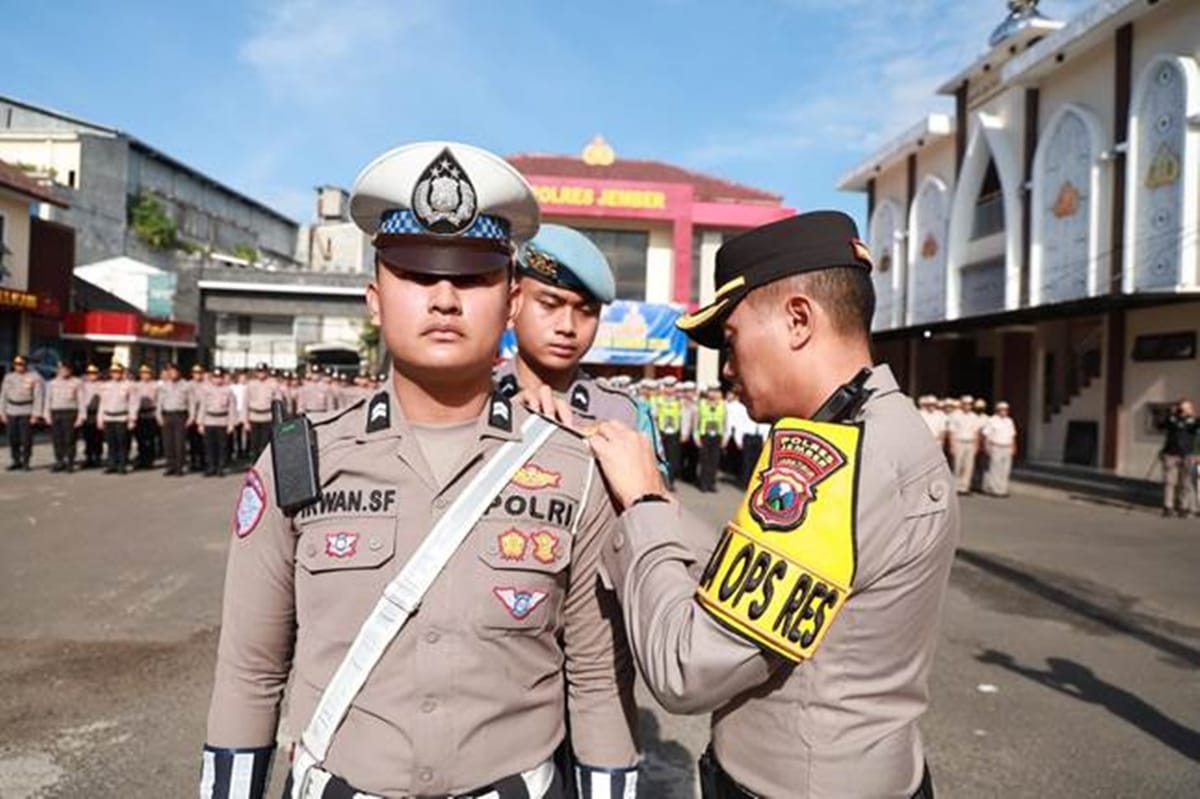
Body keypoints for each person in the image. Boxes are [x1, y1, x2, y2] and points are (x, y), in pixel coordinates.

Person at [200, 141, 639, 799]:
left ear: (510, 301)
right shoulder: (299, 460)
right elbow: (250, 671)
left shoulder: (574, 467)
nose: (444, 299)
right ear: (375, 300)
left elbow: (599, 682)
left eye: (472, 278)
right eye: (415, 274)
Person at [585, 211, 957, 799]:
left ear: (798, 319)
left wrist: (642, 506)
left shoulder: (835, 459)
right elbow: (776, 566)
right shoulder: (889, 426)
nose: (729, 368)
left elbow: (686, 667)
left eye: (732, 339)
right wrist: (666, 506)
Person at [494, 222, 666, 480]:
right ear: (512, 302)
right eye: (549, 304)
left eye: (586, 311)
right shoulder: (470, 398)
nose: (567, 327)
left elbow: (652, 499)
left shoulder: (624, 415)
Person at [1160, 399, 1198, 518]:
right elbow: (1161, 425)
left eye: (1188, 407)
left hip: (1187, 455)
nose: (1184, 409)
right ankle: (1168, 507)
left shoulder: (1194, 421)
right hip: (1171, 454)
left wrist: (1192, 416)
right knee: (1169, 482)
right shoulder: (1172, 419)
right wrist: (1170, 414)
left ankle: (1183, 507)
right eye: (1182, 407)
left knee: (1185, 483)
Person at [197, 367, 236, 477]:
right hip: (209, 420)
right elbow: (202, 406)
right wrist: (200, 423)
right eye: (215, 377)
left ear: (223, 378)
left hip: (222, 421)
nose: (217, 380)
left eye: (219, 377)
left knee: (222, 447)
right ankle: (210, 467)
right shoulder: (206, 390)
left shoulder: (228, 391)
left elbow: (232, 408)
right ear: (212, 378)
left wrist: (231, 424)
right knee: (209, 446)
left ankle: (220, 468)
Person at [98, 363, 136, 474]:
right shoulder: (105, 386)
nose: (116, 374)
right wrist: (100, 418)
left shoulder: (128, 386)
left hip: (122, 417)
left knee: (122, 443)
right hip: (108, 417)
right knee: (110, 443)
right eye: (113, 372)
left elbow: (132, 403)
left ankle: (122, 465)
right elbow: (102, 403)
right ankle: (112, 464)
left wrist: (132, 419)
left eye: (118, 372)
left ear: (122, 373)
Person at [46, 362, 83, 472]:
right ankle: (59, 461)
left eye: (66, 369)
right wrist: (46, 415)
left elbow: (81, 400)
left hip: (70, 412)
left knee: (70, 439)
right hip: (56, 412)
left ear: (70, 370)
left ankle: (70, 462)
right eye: (61, 369)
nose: (64, 371)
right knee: (57, 439)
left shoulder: (77, 382)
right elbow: (48, 400)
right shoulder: (51, 383)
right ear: (58, 370)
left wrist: (81, 417)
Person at [156, 363, 193, 476]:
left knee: (179, 442)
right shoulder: (164, 386)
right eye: (170, 371)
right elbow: (159, 402)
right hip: (167, 415)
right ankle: (170, 466)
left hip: (180, 415)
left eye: (174, 371)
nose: (172, 374)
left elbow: (191, 402)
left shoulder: (186, 385)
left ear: (178, 372)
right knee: (168, 443)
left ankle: (179, 467)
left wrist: (191, 417)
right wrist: (158, 416)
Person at [243, 362, 280, 461]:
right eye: (259, 372)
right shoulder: (251, 384)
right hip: (254, 416)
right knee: (254, 443)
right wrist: (245, 421)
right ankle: (254, 462)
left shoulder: (273, 384)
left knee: (265, 443)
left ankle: (264, 463)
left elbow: (278, 402)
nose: (261, 374)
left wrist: (277, 419)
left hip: (267, 417)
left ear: (267, 372)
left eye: (263, 371)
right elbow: (245, 403)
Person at [695, 384, 728, 492]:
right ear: (707, 393)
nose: (713, 394)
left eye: (715, 391)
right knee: (704, 461)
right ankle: (703, 484)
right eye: (711, 391)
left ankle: (711, 484)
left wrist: (725, 437)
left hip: (717, 435)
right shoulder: (701, 404)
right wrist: (696, 436)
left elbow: (725, 422)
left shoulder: (723, 405)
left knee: (714, 461)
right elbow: (697, 421)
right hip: (704, 435)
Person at [981, 401, 1017, 497]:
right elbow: (986, 435)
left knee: (1005, 469)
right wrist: (986, 447)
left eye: (1006, 410)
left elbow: (1012, 435)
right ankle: (994, 489)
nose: (1004, 411)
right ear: (997, 410)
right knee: (995, 469)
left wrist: (1014, 446)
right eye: (1002, 410)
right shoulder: (992, 420)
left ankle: (1003, 489)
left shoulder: (1009, 421)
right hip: (996, 446)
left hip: (1007, 447)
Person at [947, 395, 981, 494]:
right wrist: (952, 445)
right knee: (957, 465)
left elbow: (976, 432)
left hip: (970, 442)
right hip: (959, 442)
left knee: (968, 466)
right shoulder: (955, 415)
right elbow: (952, 432)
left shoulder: (974, 416)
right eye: (965, 404)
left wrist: (976, 445)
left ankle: (965, 487)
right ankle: (955, 486)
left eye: (969, 404)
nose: (967, 406)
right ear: (962, 404)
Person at [655, 377, 684, 489]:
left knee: (673, 459)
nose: (669, 390)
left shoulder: (679, 401)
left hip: (674, 433)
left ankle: (670, 482)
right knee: (661, 459)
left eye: (671, 387)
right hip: (661, 432)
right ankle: (661, 482)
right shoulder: (658, 401)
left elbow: (682, 418)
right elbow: (655, 417)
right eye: (667, 387)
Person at [133, 364, 160, 469]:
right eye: (143, 373)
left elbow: (158, 401)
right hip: (139, 415)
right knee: (140, 439)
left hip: (151, 415)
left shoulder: (155, 385)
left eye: (147, 373)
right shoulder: (136, 386)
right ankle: (141, 458)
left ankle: (149, 460)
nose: (145, 375)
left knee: (150, 439)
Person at [78, 364, 104, 468]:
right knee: (87, 437)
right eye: (89, 373)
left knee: (98, 437)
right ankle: (88, 458)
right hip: (86, 413)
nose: (92, 375)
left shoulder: (102, 385)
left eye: (94, 373)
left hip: (98, 413)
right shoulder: (83, 385)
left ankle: (97, 457)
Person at [188, 364, 209, 473]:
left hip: (204, 417)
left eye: (199, 373)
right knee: (193, 441)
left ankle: (203, 462)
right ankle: (193, 462)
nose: (197, 375)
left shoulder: (207, 385)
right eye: (195, 373)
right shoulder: (189, 385)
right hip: (191, 416)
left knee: (204, 442)